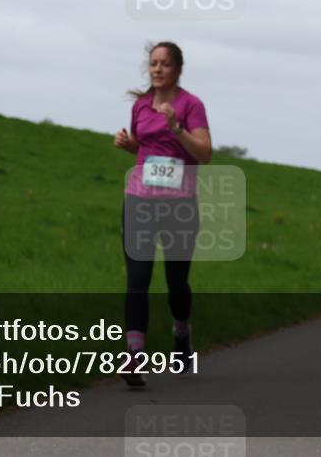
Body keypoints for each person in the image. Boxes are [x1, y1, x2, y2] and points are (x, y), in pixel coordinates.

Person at [113, 42, 211, 386]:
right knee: (137, 279)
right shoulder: (140, 106)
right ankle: (134, 357)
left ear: (177, 69)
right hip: (139, 199)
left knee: (176, 283)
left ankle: (182, 333)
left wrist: (176, 127)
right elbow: (146, 150)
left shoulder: (191, 105)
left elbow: (205, 154)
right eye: (153, 63)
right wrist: (131, 146)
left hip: (179, 205)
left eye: (164, 64)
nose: (157, 69)